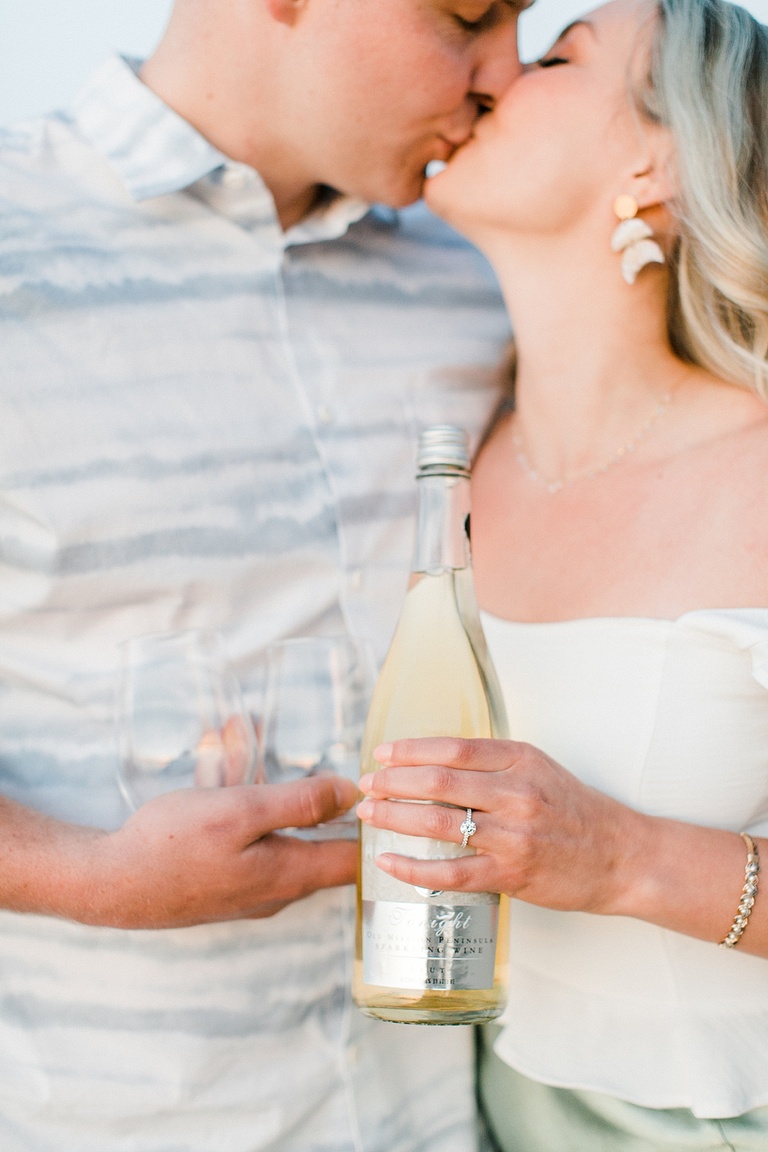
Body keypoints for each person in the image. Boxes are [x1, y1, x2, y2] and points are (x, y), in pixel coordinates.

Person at [0, 2, 525, 1148]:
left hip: (443, 1116)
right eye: (472, 17)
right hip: (107, 1117)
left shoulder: (487, 275)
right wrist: (81, 873)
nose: (506, 73)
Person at [355, 0, 768, 1148]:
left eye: (556, 55)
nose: (489, 74)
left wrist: (621, 858)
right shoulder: (451, 457)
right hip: (489, 1113)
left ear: (662, 158)